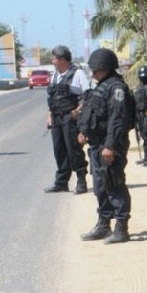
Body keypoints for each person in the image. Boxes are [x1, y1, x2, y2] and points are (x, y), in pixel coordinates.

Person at [76, 48, 134, 244]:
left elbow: (117, 120)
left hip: (111, 145)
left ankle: (121, 228)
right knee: (100, 187)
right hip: (97, 144)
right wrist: (84, 132)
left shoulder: (116, 88)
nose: (93, 73)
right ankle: (103, 224)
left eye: (96, 69)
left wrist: (110, 146)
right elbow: (92, 112)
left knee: (114, 184)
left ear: (106, 68)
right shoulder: (100, 86)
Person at [45, 45, 90, 194]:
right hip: (57, 117)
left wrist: (78, 111)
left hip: (70, 118)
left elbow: (88, 96)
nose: (52, 61)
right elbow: (52, 97)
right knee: (59, 150)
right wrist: (49, 115)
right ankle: (61, 182)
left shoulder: (77, 74)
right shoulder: (55, 75)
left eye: (55, 59)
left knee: (74, 149)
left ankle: (81, 181)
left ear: (63, 60)